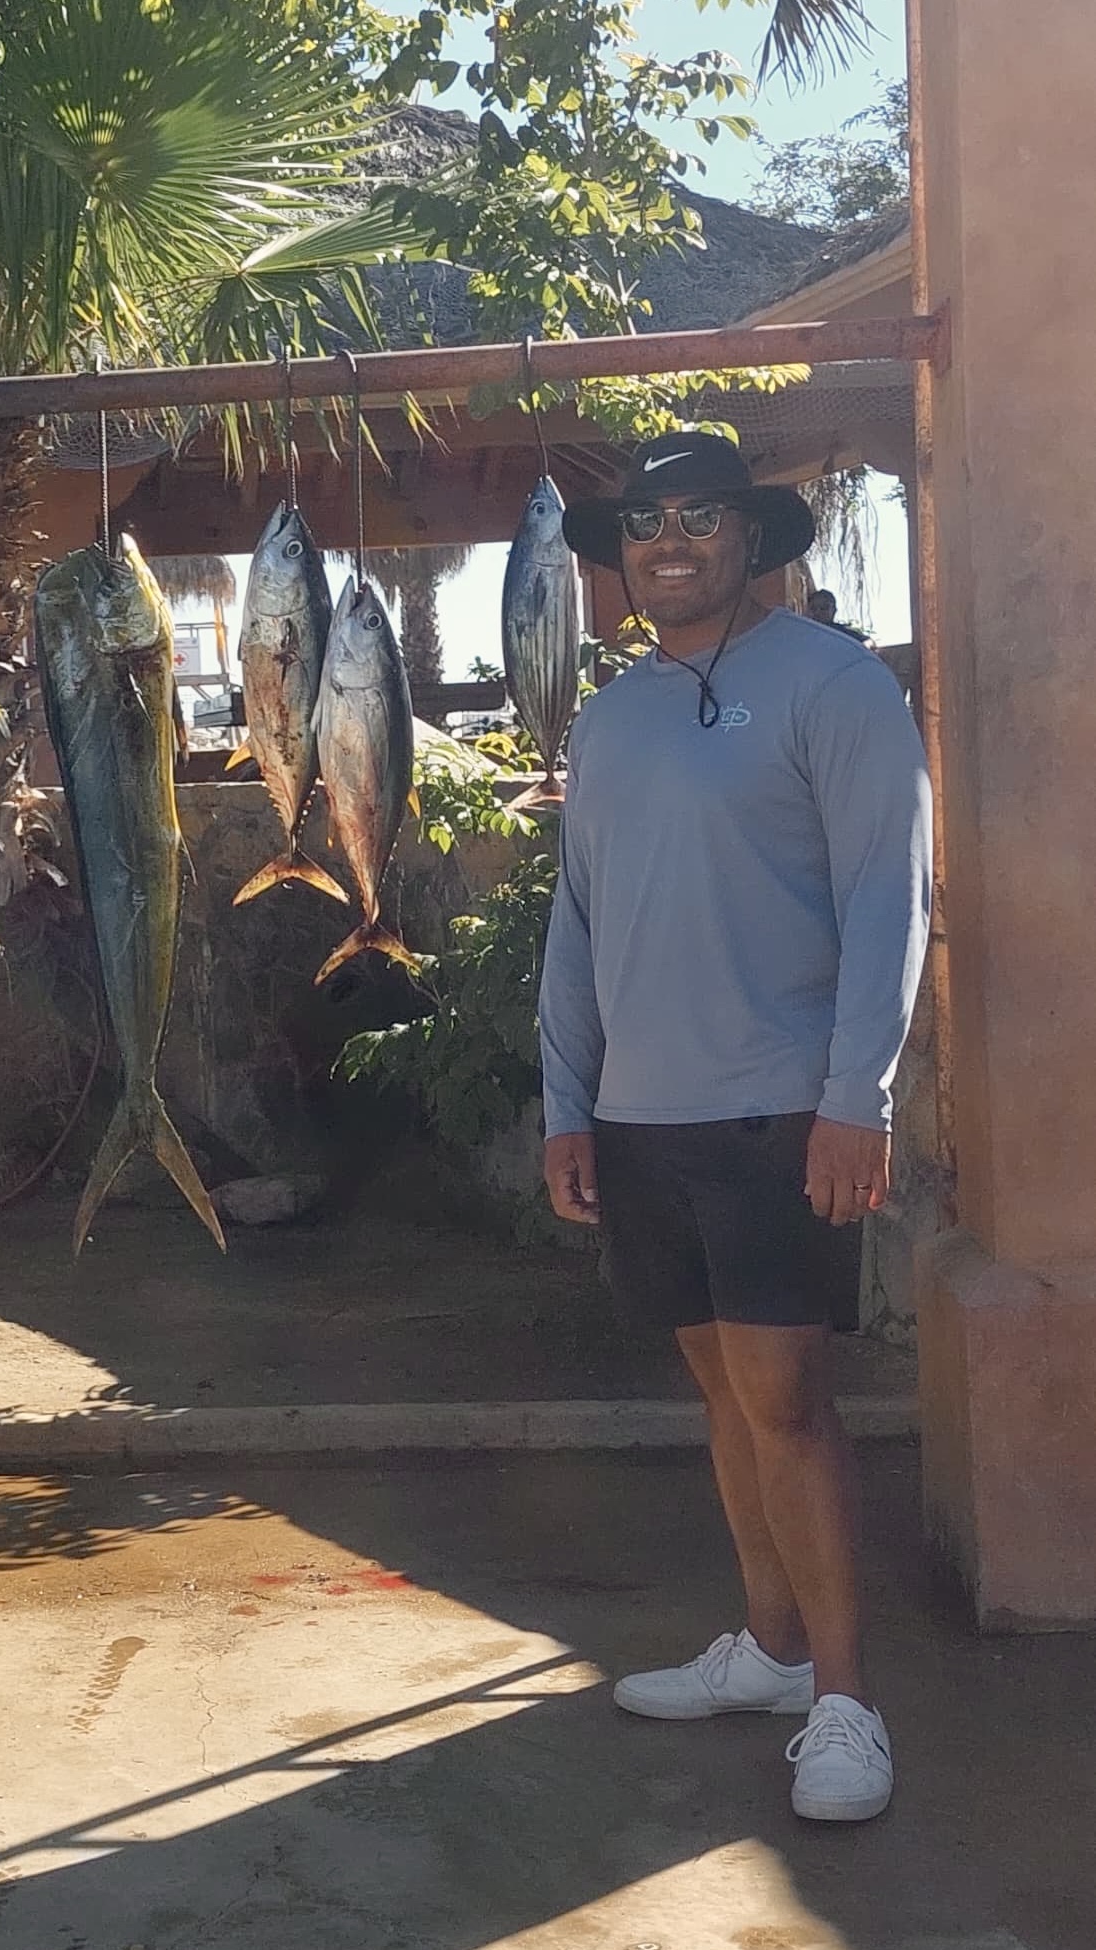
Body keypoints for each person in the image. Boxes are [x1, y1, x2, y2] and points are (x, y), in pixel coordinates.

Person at [541, 434, 932, 1823]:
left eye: (696, 517)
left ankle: (846, 1703)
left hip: (779, 1110)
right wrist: (565, 1102)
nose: (667, 541)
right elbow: (575, 921)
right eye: (643, 522)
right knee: (721, 1398)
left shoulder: (832, 687)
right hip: (642, 1115)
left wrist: (854, 1096)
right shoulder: (614, 714)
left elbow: (892, 895)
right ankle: (767, 1649)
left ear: (749, 538)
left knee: (789, 1405)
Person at [806, 587, 876, 650]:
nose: (818, 612)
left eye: (824, 608)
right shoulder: (803, 631)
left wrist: (864, 648)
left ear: (834, 611)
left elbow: (868, 641)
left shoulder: (841, 632)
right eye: (813, 608)